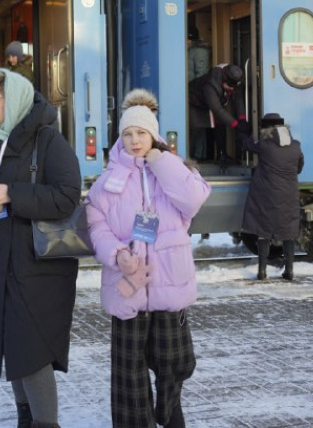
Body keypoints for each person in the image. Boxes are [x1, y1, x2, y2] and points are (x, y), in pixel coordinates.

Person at [0, 69, 81, 428]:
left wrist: (13, 194)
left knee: (33, 350)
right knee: (11, 344)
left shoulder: (46, 139)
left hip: (38, 267)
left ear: (17, 101)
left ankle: (45, 423)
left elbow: (69, 196)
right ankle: (25, 418)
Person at [85, 89, 210, 428]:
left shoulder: (171, 169)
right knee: (129, 375)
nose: (134, 140)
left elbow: (193, 200)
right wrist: (116, 254)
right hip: (128, 285)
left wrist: (161, 160)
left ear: (153, 134)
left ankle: (168, 415)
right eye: (127, 134)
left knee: (176, 362)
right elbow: (95, 222)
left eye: (141, 133)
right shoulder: (110, 179)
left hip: (169, 284)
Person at [236, 113, 304, 280]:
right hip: (289, 194)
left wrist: (246, 130)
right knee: (289, 232)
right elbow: (299, 168)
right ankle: (289, 271)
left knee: (263, 231)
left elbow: (246, 145)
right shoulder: (296, 146)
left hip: (267, 195)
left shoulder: (264, 145)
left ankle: (262, 271)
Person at [188, 63, 246, 163]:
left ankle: (221, 155)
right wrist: (236, 124)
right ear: (223, 81)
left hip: (211, 101)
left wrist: (242, 118)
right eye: (230, 86)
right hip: (195, 100)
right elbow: (217, 109)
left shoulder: (235, 76)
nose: (232, 89)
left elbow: (238, 98)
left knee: (221, 124)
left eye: (234, 87)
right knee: (196, 128)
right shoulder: (211, 83)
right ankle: (188, 158)